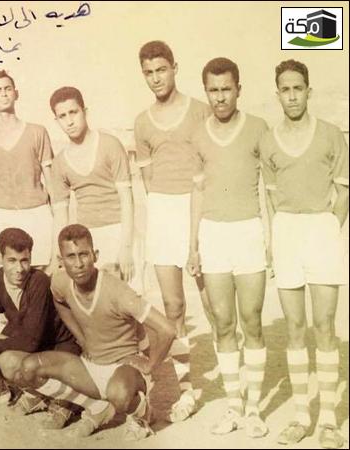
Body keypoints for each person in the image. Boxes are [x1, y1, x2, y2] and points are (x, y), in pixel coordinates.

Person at [16, 224, 177, 440]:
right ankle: (96, 407)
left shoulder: (118, 292)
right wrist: (82, 339)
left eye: (84, 254)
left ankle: (143, 414)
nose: (78, 264)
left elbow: (167, 329)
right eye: (71, 257)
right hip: (91, 366)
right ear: (61, 260)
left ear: (95, 255)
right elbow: (59, 301)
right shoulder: (60, 281)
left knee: (119, 394)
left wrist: (150, 365)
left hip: (124, 369)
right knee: (29, 368)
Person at [260, 59, 348, 449]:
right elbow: (271, 199)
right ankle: (300, 416)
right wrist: (275, 240)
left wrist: (329, 226)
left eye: (298, 88)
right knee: (295, 327)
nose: (292, 96)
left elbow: (344, 192)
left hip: (322, 230)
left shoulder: (331, 135)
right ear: (277, 94)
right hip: (286, 233)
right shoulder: (268, 141)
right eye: (285, 89)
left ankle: (328, 420)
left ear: (308, 92)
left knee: (324, 325)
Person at [187, 57, 269, 437]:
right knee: (223, 322)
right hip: (213, 234)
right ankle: (234, 406)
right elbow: (197, 193)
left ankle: (254, 410)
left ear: (239, 89)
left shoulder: (258, 128)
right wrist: (193, 245)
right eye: (213, 90)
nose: (220, 97)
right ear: (206, 92)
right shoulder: (198, 135)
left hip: (248, 231)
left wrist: (270, 238)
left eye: (226, 89)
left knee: (251, 319)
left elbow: (270, 188)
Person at [134, 40, 216, 421]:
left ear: (175, 68)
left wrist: (198, 217)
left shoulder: (200, 111)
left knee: (216, 305)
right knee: (174, 307)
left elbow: (212, 165)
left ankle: (237, 390)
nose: (156, 78)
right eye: (148, 72)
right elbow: (148, 179)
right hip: (164, 213)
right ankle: (187, 392)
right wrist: (164, 211)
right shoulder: (142, 122)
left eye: (161, 70)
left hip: (199, 209)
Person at [0, 227, 83, 429]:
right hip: (33, 344)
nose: (19, 268)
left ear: (31, 258)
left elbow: (31, 341)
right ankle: (38, 393)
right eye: (12, 261)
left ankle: (67, 398)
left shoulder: (39, 281)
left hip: (60, 347)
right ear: (0, 258)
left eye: (24, 260)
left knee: (6, 360)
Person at [50, 86, 134, 282]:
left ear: (85, 111)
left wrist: (126, 247)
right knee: (95, 298)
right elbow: (60, 215)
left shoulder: (110, 145)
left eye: (73, 112)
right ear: (56, 120)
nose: (69, 121)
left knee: (129, 296)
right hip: (87, 240)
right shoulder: (60, 162)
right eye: (62, 116)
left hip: (120, 231)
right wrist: (56, 257)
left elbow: (127, 199)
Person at [0, 70, 55, 269]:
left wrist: (58, 226)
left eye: (8, 89)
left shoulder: (37, 132)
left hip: (37, 214)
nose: (4, 94)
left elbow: (52, 184)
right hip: (4, 216)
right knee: (9, 277)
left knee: (41, 275)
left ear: (16, 93)